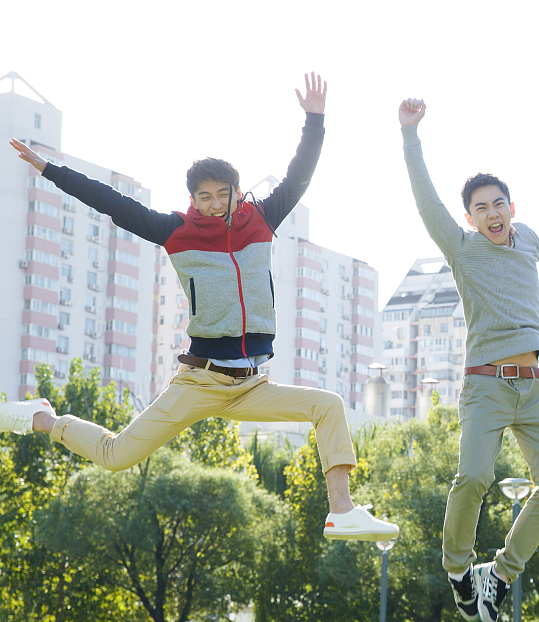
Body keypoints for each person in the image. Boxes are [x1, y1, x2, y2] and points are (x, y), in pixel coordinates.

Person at [0, 74, 397, 542]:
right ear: (192, 199)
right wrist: (51, 170)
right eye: (203, 197)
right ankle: (40, 418)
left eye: (222, 194)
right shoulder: (176, 232)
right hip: (201, 380)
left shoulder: (263, 220)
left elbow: (299, 175)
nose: (213, 205)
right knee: (116, 456)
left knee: (328, 405)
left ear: (236, 191)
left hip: (252, 384)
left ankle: (342, 511)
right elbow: (111, 202)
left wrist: (314, 120)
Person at [397, 98, 539, 622]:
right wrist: (411, 135)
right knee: (473, 476)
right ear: (471, 217)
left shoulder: (529, 241)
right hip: (486, 387)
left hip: (534, 389)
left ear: (511, 208)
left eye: (499, 204)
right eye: (481, 208)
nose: (492, 214)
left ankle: (498, 575)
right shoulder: (461, 247)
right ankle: (459, 573)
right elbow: (427, 201)